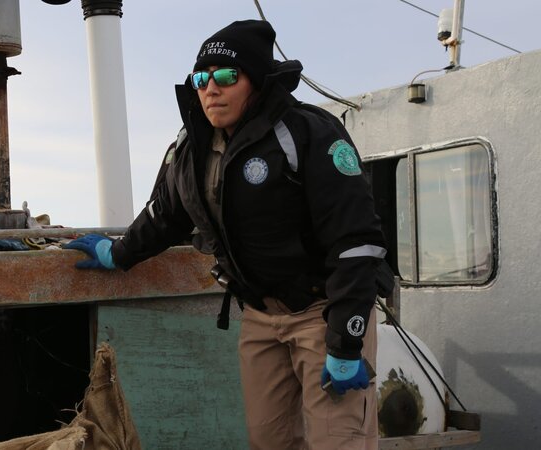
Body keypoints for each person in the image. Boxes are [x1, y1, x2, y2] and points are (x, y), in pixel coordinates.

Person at [64, 19, 387, 450]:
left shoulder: (308, 133)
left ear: (255, 80)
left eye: (226, 76)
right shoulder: (190, 145)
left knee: (338, 440)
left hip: (322, 310)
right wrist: (118, 253)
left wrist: (347, 340)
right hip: (259, 314)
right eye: (201, 78)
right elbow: (165, 214)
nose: (210, 88)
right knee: (267, 440)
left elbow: (357, 241)